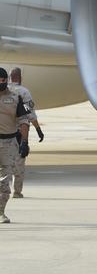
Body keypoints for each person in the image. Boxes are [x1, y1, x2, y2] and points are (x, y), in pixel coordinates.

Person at [0, 67, 32, 224]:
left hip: (9, 143)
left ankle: (1, 212)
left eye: (3, 80)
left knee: (4, 181)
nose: (1, 83)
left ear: (8, 79)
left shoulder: (16, 97)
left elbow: (25, 120)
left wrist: (24, 142)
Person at [5, 68, 42, 201]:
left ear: (9, 77)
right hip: (20, 133)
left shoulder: (4, 92)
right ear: (20, 78)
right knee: (19, 164)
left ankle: (3, 190)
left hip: (5, 132)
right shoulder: (24, 92)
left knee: (4, 163)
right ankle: (17, 191)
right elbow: (29, 114)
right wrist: (38, 129)